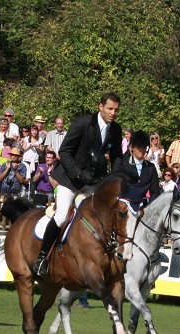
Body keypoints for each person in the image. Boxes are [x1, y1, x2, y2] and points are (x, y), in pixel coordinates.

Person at [33, 92, 124, 276]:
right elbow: (65, 151)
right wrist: (78, 173)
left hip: (94, 182)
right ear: (100, 106)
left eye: (116, 110)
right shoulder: (83, 123)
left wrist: (114, 179)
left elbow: (117, 158)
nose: (113, 113)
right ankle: (42, 258)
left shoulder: (115, 129)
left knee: (102, 217)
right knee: (60, 217)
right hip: (70, 179)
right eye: (110, 109)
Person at [117, 130, 160, 210]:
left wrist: (149, 208)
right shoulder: (124, 165)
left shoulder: (151, 167)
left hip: (145, 208)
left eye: (144, 147)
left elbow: (155, 191)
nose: (141, 150)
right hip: (125, 207)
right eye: (139, 147)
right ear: (132, 147)